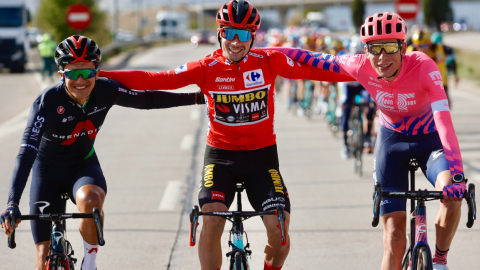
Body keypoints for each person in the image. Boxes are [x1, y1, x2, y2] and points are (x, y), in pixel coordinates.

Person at [98, 1, 353, 269]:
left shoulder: (269, 62)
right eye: (229, 33)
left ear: (253, 37)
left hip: (262, 161)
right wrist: (96, 75)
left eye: (243, 35)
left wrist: (371, 76)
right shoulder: (205, 67)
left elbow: (315, 71)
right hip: (220, 161)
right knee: (211, 221)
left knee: (280, 233)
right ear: (220, 33)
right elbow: (153, 79)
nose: (235, 42)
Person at [266, 12, 466, 270]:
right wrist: (257, 47)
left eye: (390, 47)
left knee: (452, 193)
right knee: (394, 239)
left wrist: (458, 175)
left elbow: (444, 121)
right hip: (392, 143)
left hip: (430, 141)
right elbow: (312, 59)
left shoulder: (424, 66)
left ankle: (439, 260)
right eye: (375, 48)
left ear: (403, 47)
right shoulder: (360, 65)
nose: (382, 57)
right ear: (366, 50)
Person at [0, 35, 202, 270]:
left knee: (91, 200)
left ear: (97, 71)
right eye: (73, 73)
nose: (81, 80)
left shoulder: (106, 90)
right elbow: (26, 154)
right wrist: (12, 203)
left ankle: (90, 265)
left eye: (87, 72)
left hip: (82, 167)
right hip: (47, 172)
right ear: (61, 74)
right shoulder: (46, 102)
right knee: (42, 259)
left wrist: (197, 97)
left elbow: (147, 99)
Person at [338, 34, 376, 158]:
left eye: (361, 54)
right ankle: (344, 144)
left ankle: (366, 137)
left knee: (370, 105)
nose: (359, 57)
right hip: (348, 85)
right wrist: (342, 100)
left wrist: (372, 99)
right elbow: (339, 81)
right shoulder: (345, 58)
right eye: (356, 54)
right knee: (346, 109)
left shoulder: (370, 59)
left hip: (361, 86)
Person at [407, 29, 451, 106]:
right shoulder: (411, 49)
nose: (421, 49)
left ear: (429, 44)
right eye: (418, 46)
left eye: (424, 45)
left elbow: (441, 69)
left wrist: (445, 89)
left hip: (434, 77)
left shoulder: (437, 48)